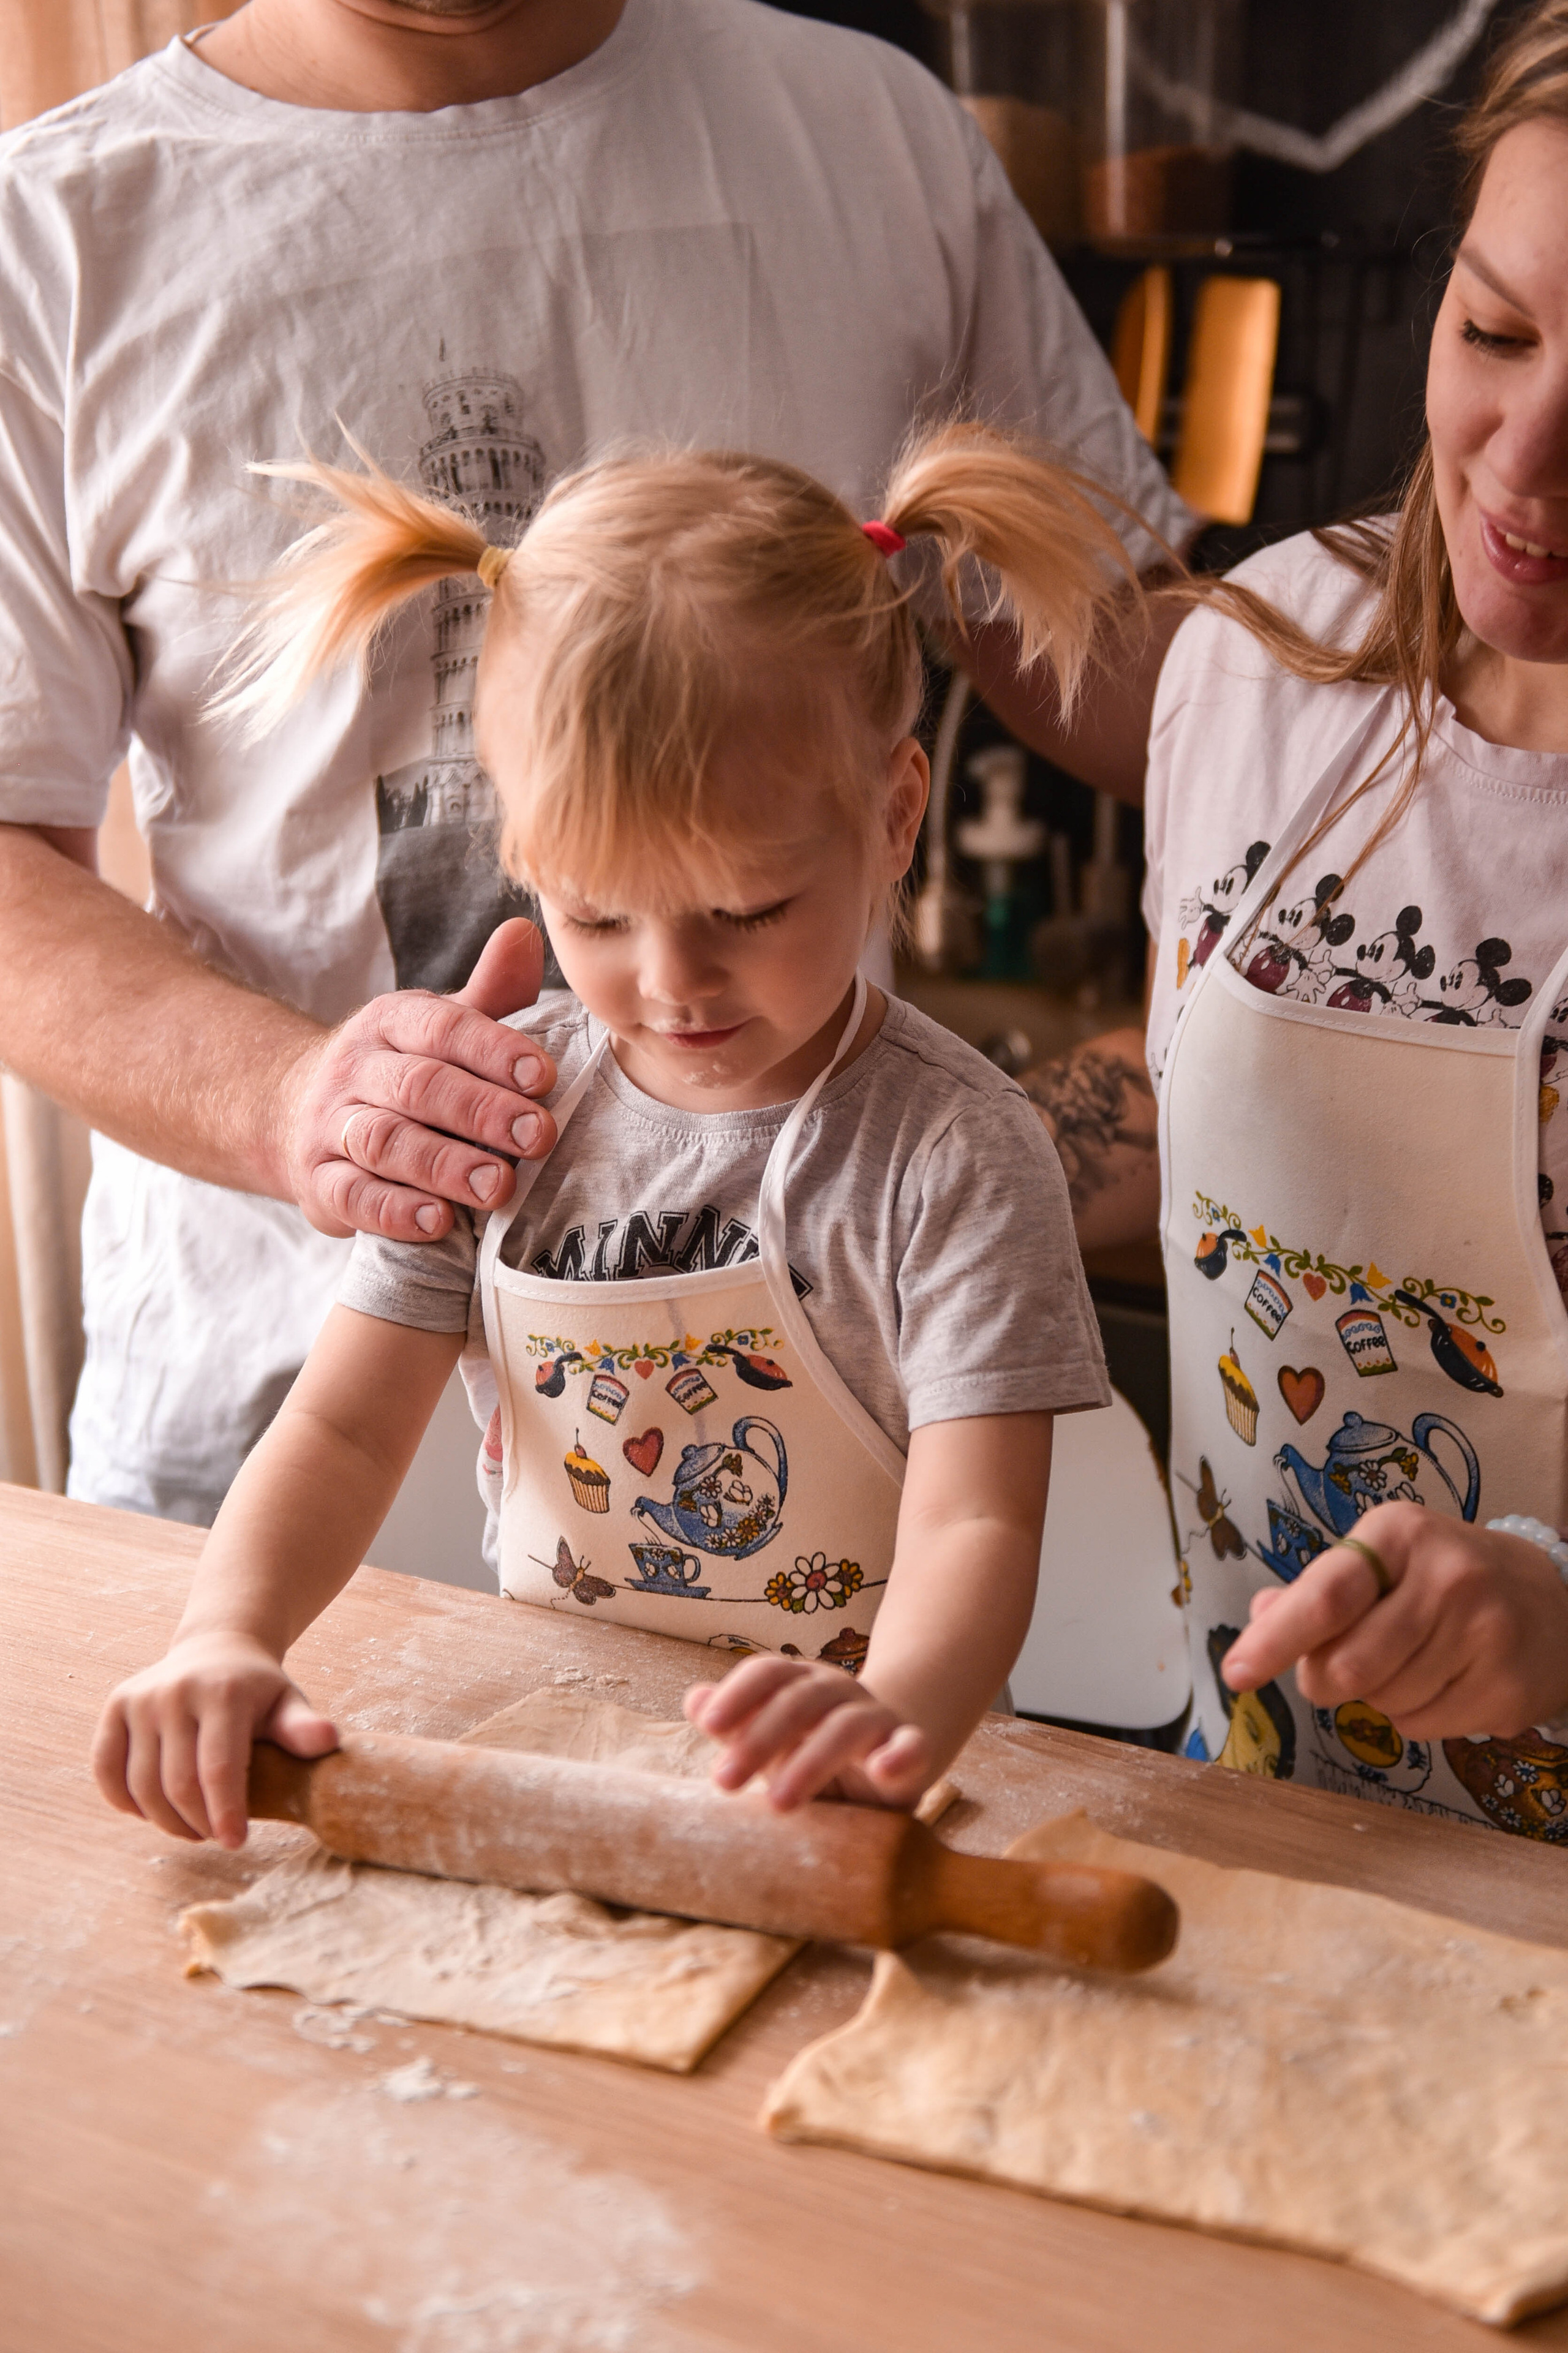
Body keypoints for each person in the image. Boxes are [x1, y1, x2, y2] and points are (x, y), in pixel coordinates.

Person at [0, 0, 1191, 1530]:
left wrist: (1441, 692)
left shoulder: (863, 130)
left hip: (811, 1471)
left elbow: (1105, 643)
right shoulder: (54, 230)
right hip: (273, 1438)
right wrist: (300, 1101)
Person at [92, 419, 1125, 1845]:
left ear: (892, 816)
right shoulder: (505, 1109)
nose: (671, 981)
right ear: (523, 853)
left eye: (746, 910)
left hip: (854, 1794)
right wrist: (227, 1631)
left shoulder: (948, 1154)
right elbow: (338, 1425)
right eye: (594, 914)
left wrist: (892, 1718)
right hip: (553, 1756)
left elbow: (978, 1524)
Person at [1046, 0, 1568, 1837]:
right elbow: (1196, 1076)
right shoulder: (1263, 666)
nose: (1522, 459)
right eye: (1495, 330)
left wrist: (1558, 1622)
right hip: (1258, 1797)